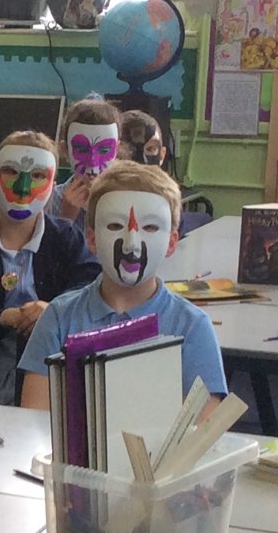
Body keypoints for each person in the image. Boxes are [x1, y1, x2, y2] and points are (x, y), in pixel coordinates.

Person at [19, 161, 226, 410]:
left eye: (149, 227)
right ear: (92, 239)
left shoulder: (191, 326)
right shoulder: (58, 318)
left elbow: (202, 431)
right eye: (115, 226)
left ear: (171, 243)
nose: (131, 245)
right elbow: (34, 416)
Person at [0, 130, 97, 405]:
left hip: (58, 360)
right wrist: (10, 317)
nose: (23, 187)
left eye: (39, 175)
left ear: (53, 184)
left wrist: (52, 308)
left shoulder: (65, 237)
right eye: (11, 172)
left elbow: (90, 284)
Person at [49, 99, 123, 224]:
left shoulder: (129, 198)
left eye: (104, 150)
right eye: (82, 150)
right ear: (65, 150)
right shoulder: (49, 202)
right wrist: (65, 221)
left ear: (116, 150)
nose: (92, 162)